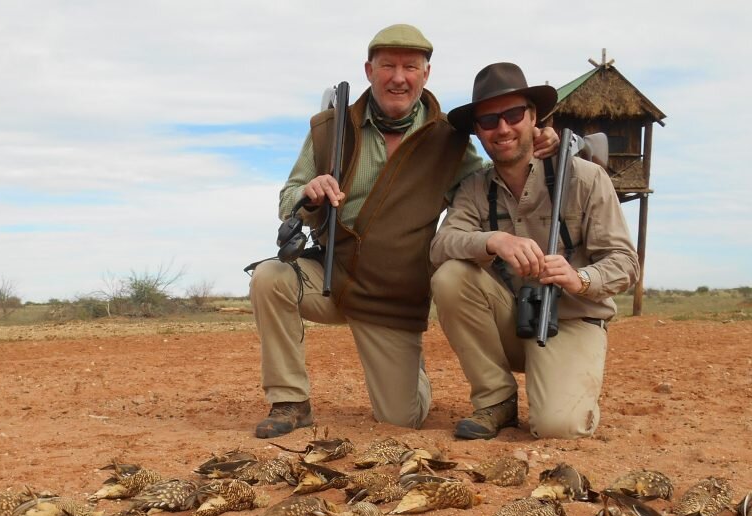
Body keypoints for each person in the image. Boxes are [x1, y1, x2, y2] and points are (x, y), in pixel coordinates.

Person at [249, 26, 559, 438]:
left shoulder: (450, 139)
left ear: (425, 74)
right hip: (329, 278)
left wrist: (530, 145)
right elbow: (288, 199)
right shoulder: (327, 128)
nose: (399, 77)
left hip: (392, 295)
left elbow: (491, 184)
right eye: (388, 65)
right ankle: (290, 401)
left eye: (410, 66)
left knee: (400, 420)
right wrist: (309, 193)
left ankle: (413, 374)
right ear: (369, 70)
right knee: (270, 277)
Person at [430, 62, 640, 440]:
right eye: (489, 120)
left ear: (534, 118)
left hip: (572, 320)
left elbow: (625, 263)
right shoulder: (475, 187)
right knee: (450, 276)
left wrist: (579, 279)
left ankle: (567, 383)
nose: (503, 128)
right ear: (478, 132)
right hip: (512, 317)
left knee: (558, 427)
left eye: (514, 114)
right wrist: (494, 240)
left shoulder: (587, 178)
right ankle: (496, 402)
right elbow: (441, 245)